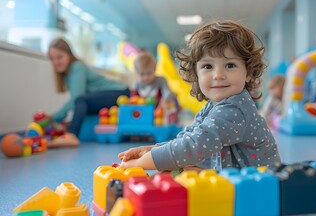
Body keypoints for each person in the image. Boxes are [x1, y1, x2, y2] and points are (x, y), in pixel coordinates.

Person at [118, 20, 281, 172]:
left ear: (248, 73)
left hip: (260, 186)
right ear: (196, 74)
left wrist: (141, 164)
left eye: (230, 65)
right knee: (181, 167)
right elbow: (189, 136)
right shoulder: (214, 105)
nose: (218, 74)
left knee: (183, 165)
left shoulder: (235, 109)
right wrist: (152, 149)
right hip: (238, 177)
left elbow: (194, 146)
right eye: (208, 66)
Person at [48, 38, 130, 147]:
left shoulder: (77, 67)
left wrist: (54, 117)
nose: (56, 62)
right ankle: (70, 131)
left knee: (80, 100)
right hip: (110, 94)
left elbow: (77, 98)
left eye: (59, 57)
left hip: (119, 92)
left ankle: (71, 135)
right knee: (81, 103)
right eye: (52, 59)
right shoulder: (67, 74)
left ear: (69, 54)